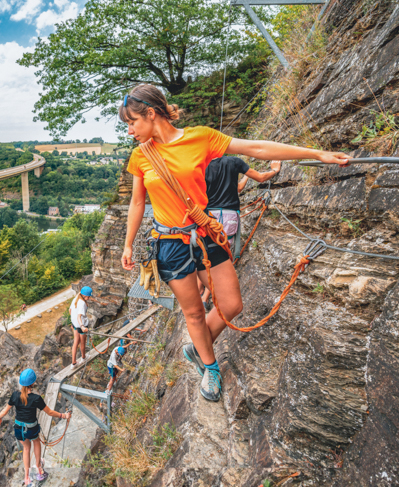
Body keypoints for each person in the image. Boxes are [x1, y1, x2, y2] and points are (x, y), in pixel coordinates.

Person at [119, 84, 349, 402]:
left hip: (206, 232)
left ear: (151, 113)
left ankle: (199, 350)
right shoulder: (141, 156)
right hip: (170, 244)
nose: (129, 131)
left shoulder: (199, 137)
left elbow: (256, 149)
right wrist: (128, 244)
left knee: (231, 305)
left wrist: (315, 154)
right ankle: (210, 368)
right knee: (195, 314)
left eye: (132, 123)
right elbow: (136, 203)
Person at [0, 368, 70, 487]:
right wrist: (63, 415)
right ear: (33, 383)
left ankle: (27, 477)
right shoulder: (36, 398)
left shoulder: (15, 395)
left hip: (19, 429)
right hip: (31, 429)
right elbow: (49, 412)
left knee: (26, 449)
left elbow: (5, 409)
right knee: (36, 442)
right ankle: (39, 469)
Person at [205, 156, 282, 258]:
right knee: (222, 255)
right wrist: (275, 170)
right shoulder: (233, 161)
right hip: (228, 216)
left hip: (208, 216)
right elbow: (261, 177)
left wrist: (246, 176)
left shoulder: (202, 165)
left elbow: (238, 188)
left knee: (207, 253)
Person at [69, 286, 94, 366]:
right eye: (88, 296)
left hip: (75, 324)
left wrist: (73, 322)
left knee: (75, 342)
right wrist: (82, 326)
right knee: (82, 343)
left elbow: (70, 310)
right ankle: (83, 358)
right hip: (81, 325)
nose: (89, 298)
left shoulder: (76, 298)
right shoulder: (83, 303)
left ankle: (73, 363)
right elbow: (79, 316)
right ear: (84, 295)